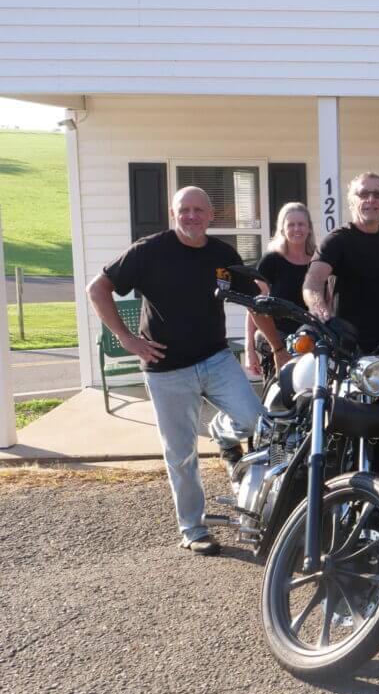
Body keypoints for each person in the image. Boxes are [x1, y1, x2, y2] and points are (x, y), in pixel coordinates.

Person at [86, 187, 265, 556]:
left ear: (211, 215)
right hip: (166, 368)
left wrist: (276, 346)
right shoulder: (148, 251)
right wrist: (126, 338)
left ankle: (222, 431)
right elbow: (98, 288)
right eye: (184, 210)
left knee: (255, 421)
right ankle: (194, 529)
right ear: (173, 213)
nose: (192, 216)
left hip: (216, 359)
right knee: (181, 454)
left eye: (199, 210)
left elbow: (255, 299)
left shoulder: (223, 255)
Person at [302, 173, 379, 484]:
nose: (371, 200)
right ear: (352, 200)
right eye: (364, 194)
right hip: (349, 350)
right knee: (346, 428)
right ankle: (345, 494)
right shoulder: (338, 240)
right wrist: (323, 314)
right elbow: (313, 283)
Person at [246, 202, 315, 381]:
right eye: (291, 224)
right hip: (277, 341)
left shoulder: (318, 261)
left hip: (311, 340)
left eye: (301, 224)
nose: (296, 229)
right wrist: (249, 349)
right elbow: (254, 307)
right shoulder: (272, 260)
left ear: (309, 228)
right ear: (282, 229)